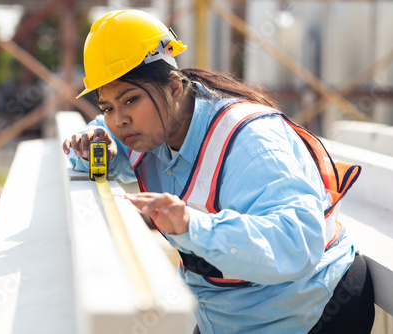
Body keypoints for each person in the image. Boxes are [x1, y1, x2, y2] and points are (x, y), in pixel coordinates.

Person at [63, 9, 374, 334]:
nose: (118, 120)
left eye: (129, 100)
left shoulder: (249, 139)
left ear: (173, 88)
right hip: (226, 315)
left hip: (311, 312)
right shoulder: (145, 129)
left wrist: (193, 226)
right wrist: (92, 149)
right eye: (108, 107)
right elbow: (103, 135)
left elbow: (297, 242)